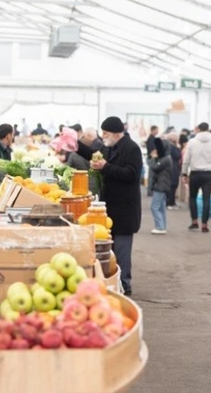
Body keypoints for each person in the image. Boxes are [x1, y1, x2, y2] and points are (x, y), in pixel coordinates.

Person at [76, 116, 142, 296]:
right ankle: (111, 281)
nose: (102, 136)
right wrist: (76, 146)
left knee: (121, 248)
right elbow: (94, 155)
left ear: (115, 133)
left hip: (125, 208)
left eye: (105, 133)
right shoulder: (108, 146)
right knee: (109, 249)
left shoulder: (132, 149)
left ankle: (124, 284)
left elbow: (132, 174)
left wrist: (105, 167)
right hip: (110, 206)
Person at [182, 122, 211, 233]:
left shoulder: (191, 142)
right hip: (208, 174)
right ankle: (205, 224)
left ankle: (194, 221)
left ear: (198, 129)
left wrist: (184, 173)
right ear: (208, 129)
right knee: (207, 198)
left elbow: (186, 160)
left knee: (192, 197)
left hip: (195, 173)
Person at [147, 138, 172, 235]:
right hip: (163, 185)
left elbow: (154, 167)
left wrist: (152, 158)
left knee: (155, 207)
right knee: (161, 207)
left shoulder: (165, 159)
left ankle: (160, 227)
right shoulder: (166, 158)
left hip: (160, 185)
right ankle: (162, 226)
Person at [165, 132, 182, 210]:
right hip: (172, 168)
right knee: (172, 185)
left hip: (172, 168)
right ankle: (170, 202)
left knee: (173, 185)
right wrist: (178, 148)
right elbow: (177, 156)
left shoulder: (168, 146)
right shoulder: (172, 147)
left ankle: (171, 202)